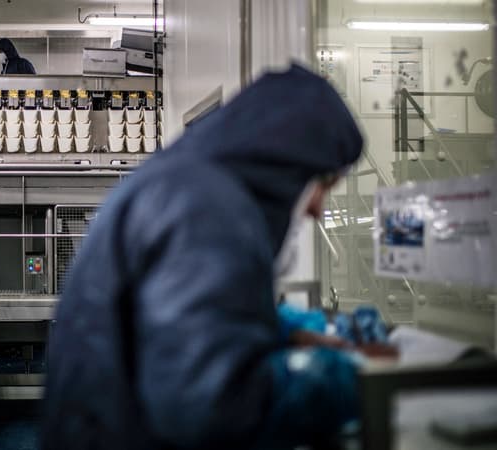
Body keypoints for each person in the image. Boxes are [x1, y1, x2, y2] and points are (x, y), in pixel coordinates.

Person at [41, 65, 365, 450]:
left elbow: (170, 323)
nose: (318, 210)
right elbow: (208, 407)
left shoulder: (185, 184)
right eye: (323, 185)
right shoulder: (209, 210)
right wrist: (342, 380)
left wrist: (282, 330)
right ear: (288, 163)